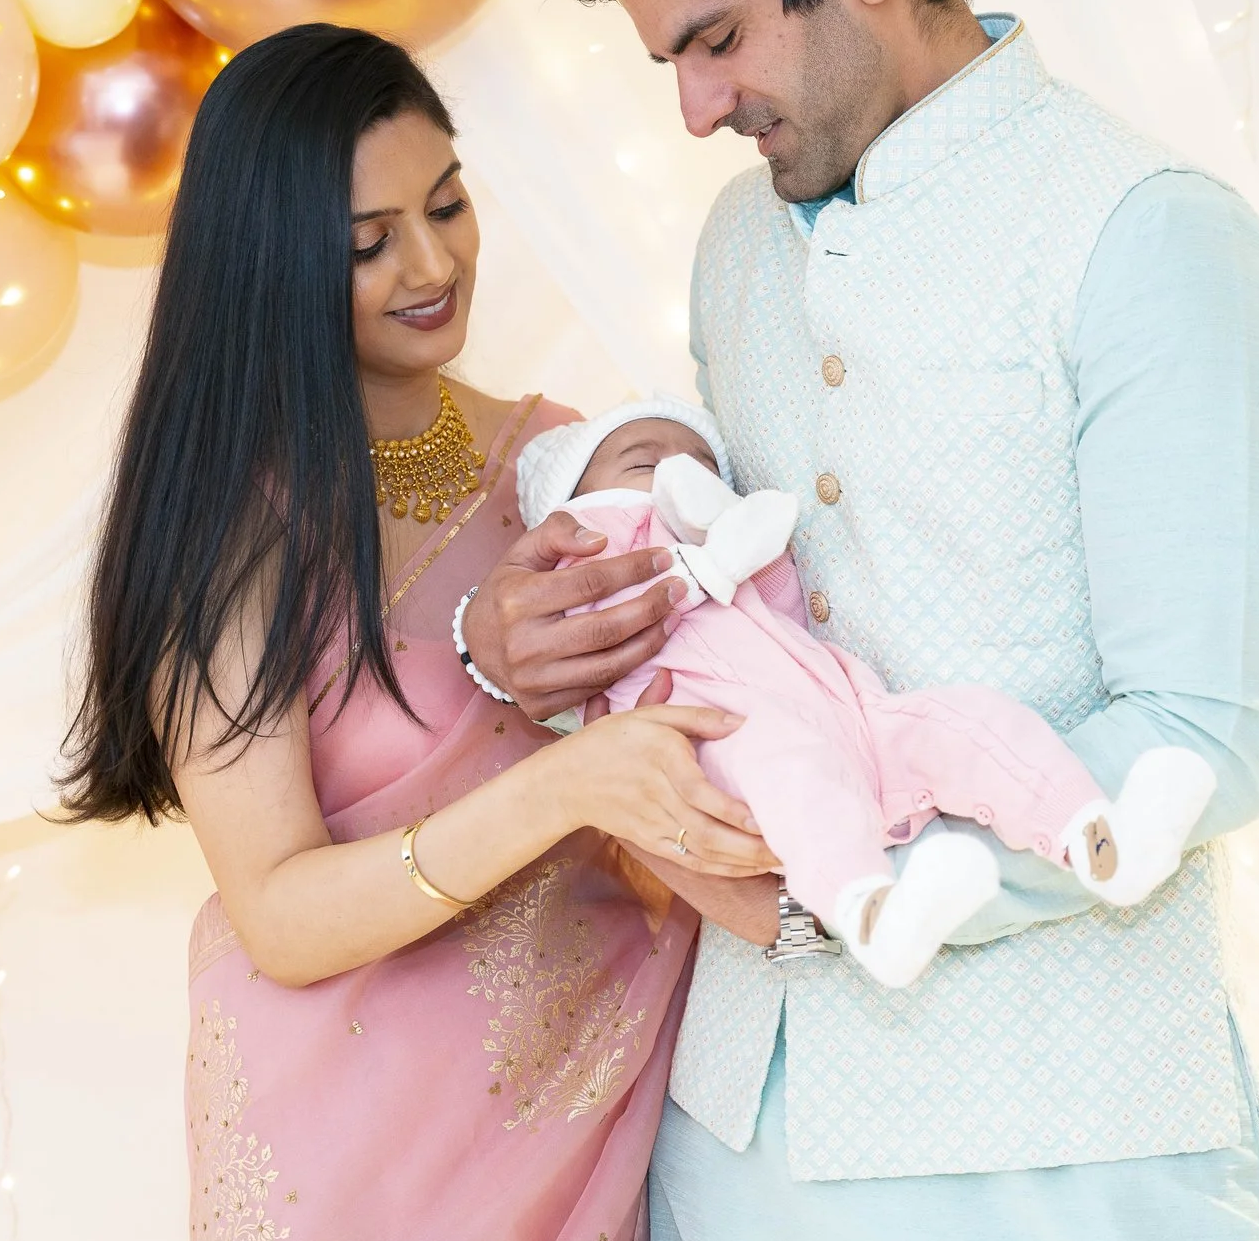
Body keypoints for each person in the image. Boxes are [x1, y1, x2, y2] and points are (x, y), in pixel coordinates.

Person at [462, 0, 1259, 1241]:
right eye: (670, 62)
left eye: (716, 40)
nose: (698, 107)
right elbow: (756, 612)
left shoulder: (1149, 240)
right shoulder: (739, 242)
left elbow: (1205, 731)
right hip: (739, 1143)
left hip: (1066, 1149)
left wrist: (819, 891)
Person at [56, 22, 778, 1241]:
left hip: (609, 1099)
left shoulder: (565, 461)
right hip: (356, 1152)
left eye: (446, 204)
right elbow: (276, 911)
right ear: (268, 265)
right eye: (366, 243)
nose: (432, 263)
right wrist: (561, 785)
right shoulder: (231, 526)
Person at [515, 396, 1218, 988]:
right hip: (736, 744)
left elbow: (781, 605)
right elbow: (590, 641)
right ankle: (868, 911)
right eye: (645, 462)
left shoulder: (719, 553)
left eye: (701, 463)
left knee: (961, 720)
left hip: (851, 717)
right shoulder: (592, 554)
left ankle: (1095, 835)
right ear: (575, 503)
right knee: (792, 765)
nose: (679, 471)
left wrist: (741, 541)